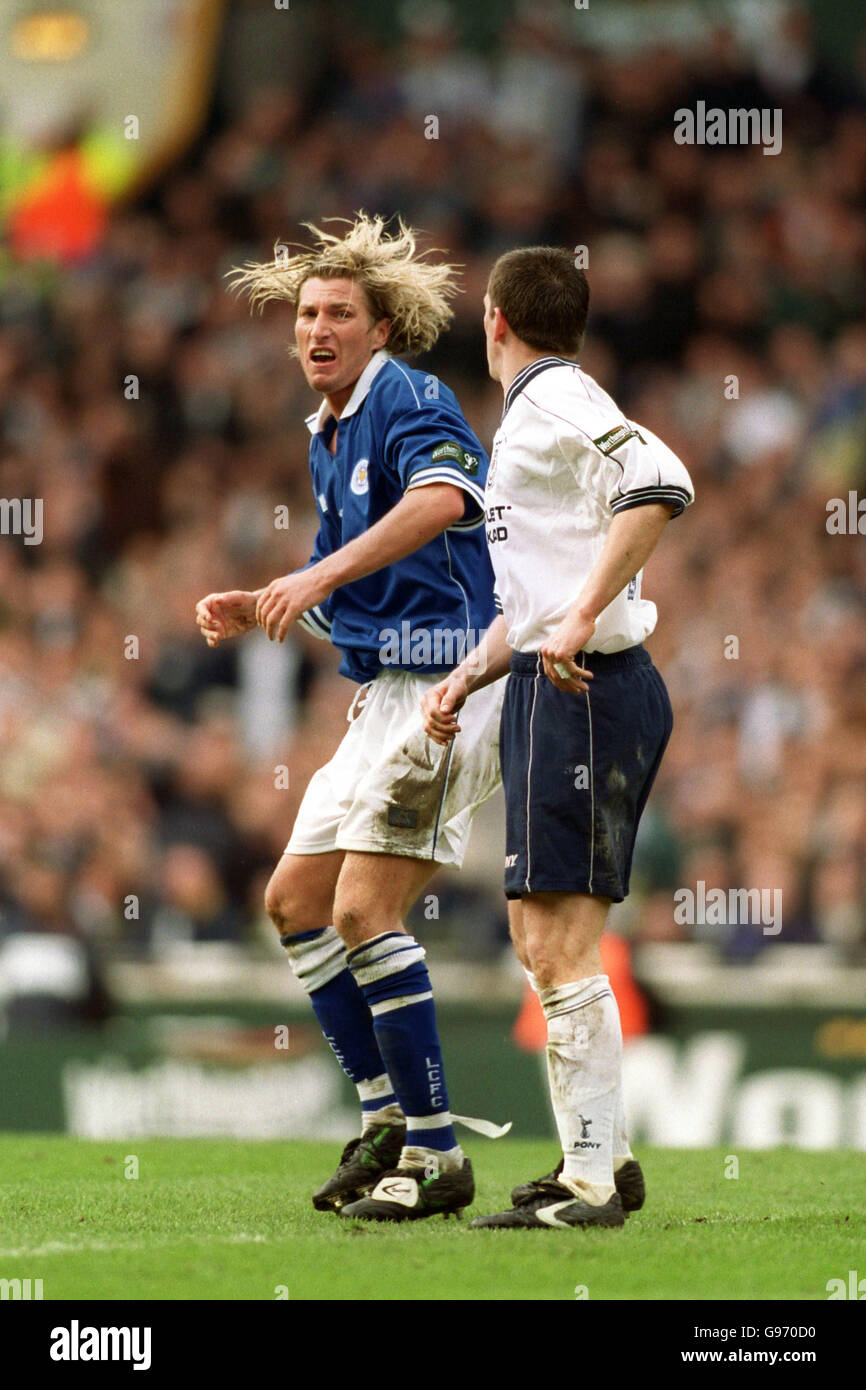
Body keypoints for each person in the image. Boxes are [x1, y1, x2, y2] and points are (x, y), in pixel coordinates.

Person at [195, 215, 504, 1222]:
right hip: (378, 696)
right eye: (305, 314)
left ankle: (438, 1154)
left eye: (338, 313)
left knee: (363, 911)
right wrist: (265, 601)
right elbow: (357, 592)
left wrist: (318, 568)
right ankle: (383, 1119)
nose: (317, 328)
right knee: (293, 903)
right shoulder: (325, 433)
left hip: (451, 684)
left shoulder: (408, 396)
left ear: (378, 330)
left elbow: (447, 499)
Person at [421, 245, 694, 1229]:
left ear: (494, 319)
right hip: (560, 682)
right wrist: (469, 669)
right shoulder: (538, 413)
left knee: (551, 938)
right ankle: (604, 1161)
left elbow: (660, 478)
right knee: (550, 937)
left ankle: (585, 1179)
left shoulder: (553, 403)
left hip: (587, 688)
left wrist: (579, 615)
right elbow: (538, 596)